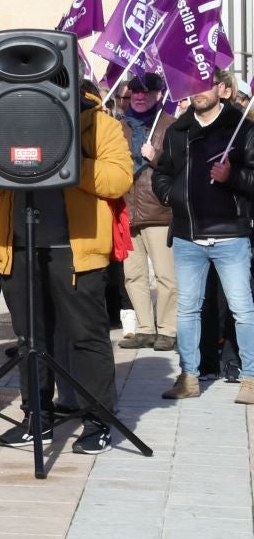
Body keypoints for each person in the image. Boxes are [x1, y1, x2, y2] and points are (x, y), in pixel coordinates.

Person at [0, 80, 132, 454]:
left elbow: (118, 180)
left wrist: (65, 158)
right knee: (30, 341)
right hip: (18, 247)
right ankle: (38, 419)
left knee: (87, 338)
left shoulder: (99, 124)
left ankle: (98, 420)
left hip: (76, 250)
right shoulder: (7, 120)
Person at [150, 69, 254, 407]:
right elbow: (162, 173)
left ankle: (251, 378)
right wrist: (171, 196)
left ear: (222, 90)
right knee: (187, 309)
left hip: (230, 235)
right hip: (188, 236)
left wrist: (233, 175)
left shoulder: (242, 128)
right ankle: (189, 376)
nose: (197, 90)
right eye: (192, 84)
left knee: (242, 309)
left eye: (205, 84)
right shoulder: (178, 129)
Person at [118, 73, 177, 351]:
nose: (140, 96)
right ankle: (144, 327)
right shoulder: (119, 127)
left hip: (159, 211)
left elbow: (181, 169)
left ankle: (167, 329)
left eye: (146, 91)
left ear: (158, 94)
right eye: (136, 91)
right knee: (133, 274)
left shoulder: (170, 126)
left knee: (166, 276)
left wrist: (156, 158)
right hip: (127, 211)